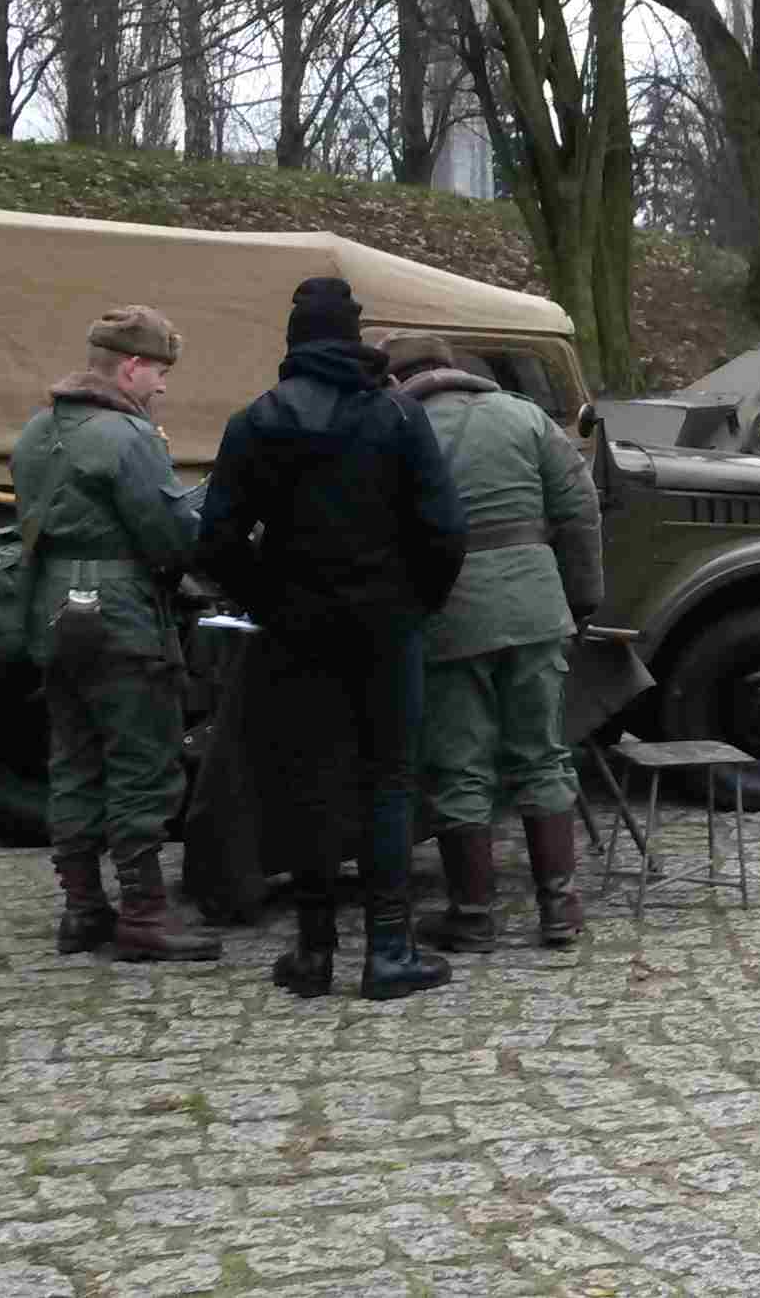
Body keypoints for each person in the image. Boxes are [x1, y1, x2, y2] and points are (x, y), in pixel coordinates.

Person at [196, 277, 468, 1001]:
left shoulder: (255, 422)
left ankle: (314, 953)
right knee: (388, 779)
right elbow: (444, 529)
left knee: (307, 780)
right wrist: (419, 602)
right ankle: (388, 950)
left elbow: (216, 541)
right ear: (353, 337)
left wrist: (269, 598)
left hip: (296, 624)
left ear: (293, 342)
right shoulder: (400, 417)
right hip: (387, 621)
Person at [9, 305, 219, 964]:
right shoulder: (129, 438)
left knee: (73, 759)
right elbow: (169, 537)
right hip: (121, 617)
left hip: (51, 614)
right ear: (130, 367)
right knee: (141, 762)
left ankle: (82, 910)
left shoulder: (36, 432)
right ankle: (144, 917)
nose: (161, 387)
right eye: (158, 372)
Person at [386, 334, 605, 953]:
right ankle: (559, 909)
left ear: (400, 377)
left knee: (461, 766)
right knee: (543, 756)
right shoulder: (525, 416)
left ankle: (473, 914)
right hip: (537, 606)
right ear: (452, 370)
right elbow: (579, 511)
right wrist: (580, 598)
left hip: (449, 615)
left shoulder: (397, 425)